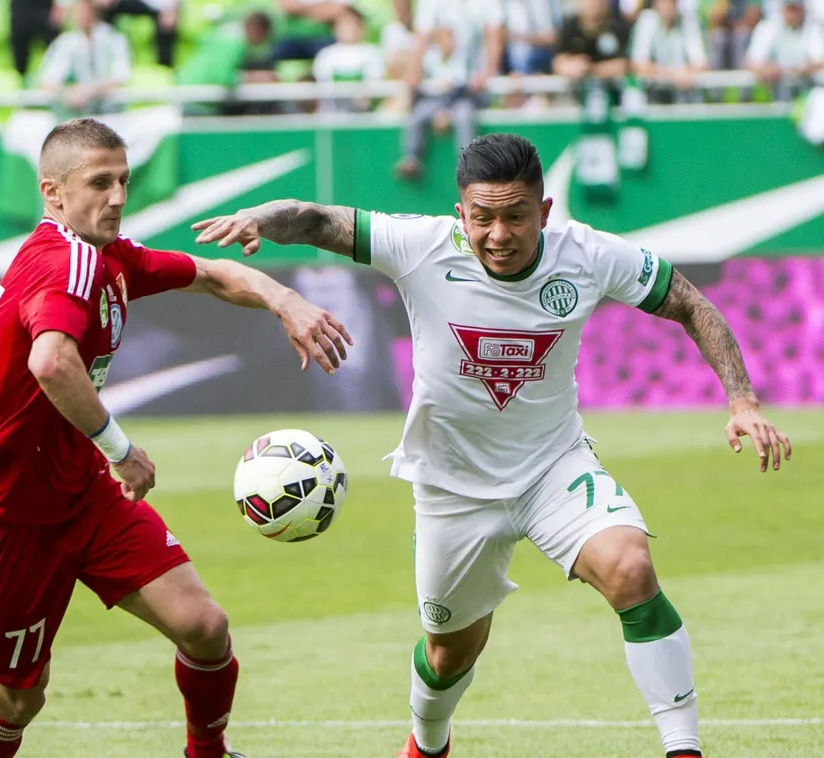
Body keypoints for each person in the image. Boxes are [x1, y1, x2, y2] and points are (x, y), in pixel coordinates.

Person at [192, 132, 791, 758]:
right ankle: (426, 746)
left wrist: (742, 400)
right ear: (461, 214)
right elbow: (316, 219)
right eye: (482, 218)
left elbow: (690, 303)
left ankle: (683, 748)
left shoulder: (588, 254)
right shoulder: (420, 245)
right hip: (452, 489)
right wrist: (259, 217)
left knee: (630, 569)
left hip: (552, 469)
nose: (498, 235)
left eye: (515, 216)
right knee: (450, 652)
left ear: (546, 212)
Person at [0, 117, 352, 758]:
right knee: (18, 699)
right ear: (53, 193)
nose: (116, 197)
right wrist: (121, 451)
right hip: (8, 513)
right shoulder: (64, 260)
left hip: (80, 493)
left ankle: (207, 754)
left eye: (123, 181)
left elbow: (214, 275)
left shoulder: (108, 259)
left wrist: (285, 300)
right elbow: (51, 362)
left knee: (204, 626)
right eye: (99, 183)